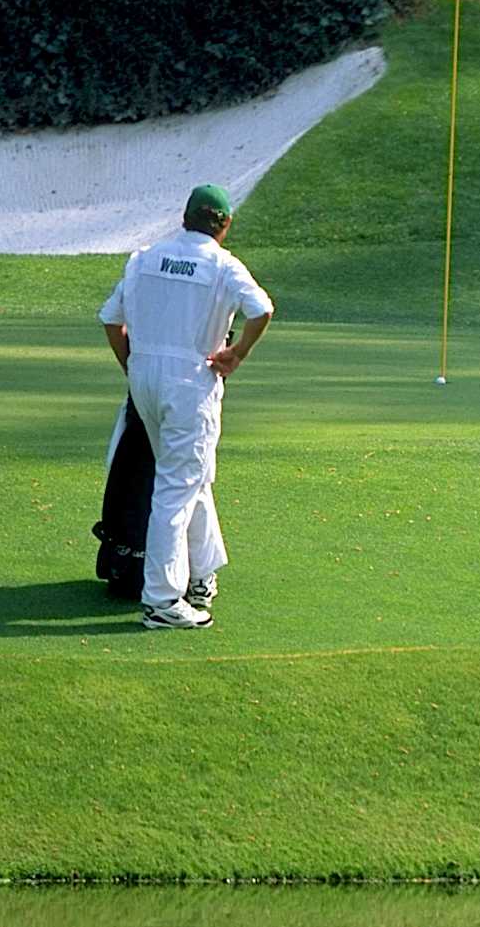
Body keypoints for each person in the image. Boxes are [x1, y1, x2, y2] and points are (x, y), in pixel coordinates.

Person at [98, 184, 273, 629]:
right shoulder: (223, 265)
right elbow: (262, 309)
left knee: (192, 475)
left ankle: (201, 572)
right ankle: (162, 600)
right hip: (190, 382)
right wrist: (238, 354)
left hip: (145, 379)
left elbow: (111, 320)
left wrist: (133, 368)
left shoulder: (144, 257)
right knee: (178, 485)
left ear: (184, 217)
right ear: (225, 225)